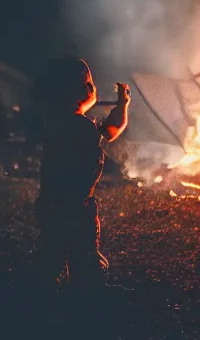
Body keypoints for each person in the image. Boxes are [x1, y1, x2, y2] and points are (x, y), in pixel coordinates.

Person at [30, 57, 130, 290]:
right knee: (82, 251)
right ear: (74, 93)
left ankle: (41, 288)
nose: (92, 89)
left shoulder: (56, 123)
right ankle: (86, 293)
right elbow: (110, 131)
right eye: (88, 84)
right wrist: (122, 106)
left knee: (51, 249)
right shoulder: (79, 126)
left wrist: (120, 105)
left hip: (53, 204)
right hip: (76, 206)